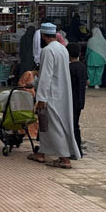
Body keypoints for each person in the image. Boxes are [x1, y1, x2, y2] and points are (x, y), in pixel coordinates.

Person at [30, 23, 81, 168]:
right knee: (47, 126)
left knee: (54, 126)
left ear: (43, 36)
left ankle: (65, 159)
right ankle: (41, 153)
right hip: (62, 93)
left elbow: (46, 75)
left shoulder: (47, 50)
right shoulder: (62, 49)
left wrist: (41, 98)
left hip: (51, 94)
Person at [69, 43, 87, 147]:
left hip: (72, 100)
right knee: (75, 124)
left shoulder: (70, 68)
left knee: (72, 125)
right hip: (80, 99)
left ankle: (75, 148)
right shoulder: (82, 66)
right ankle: (77, 146)